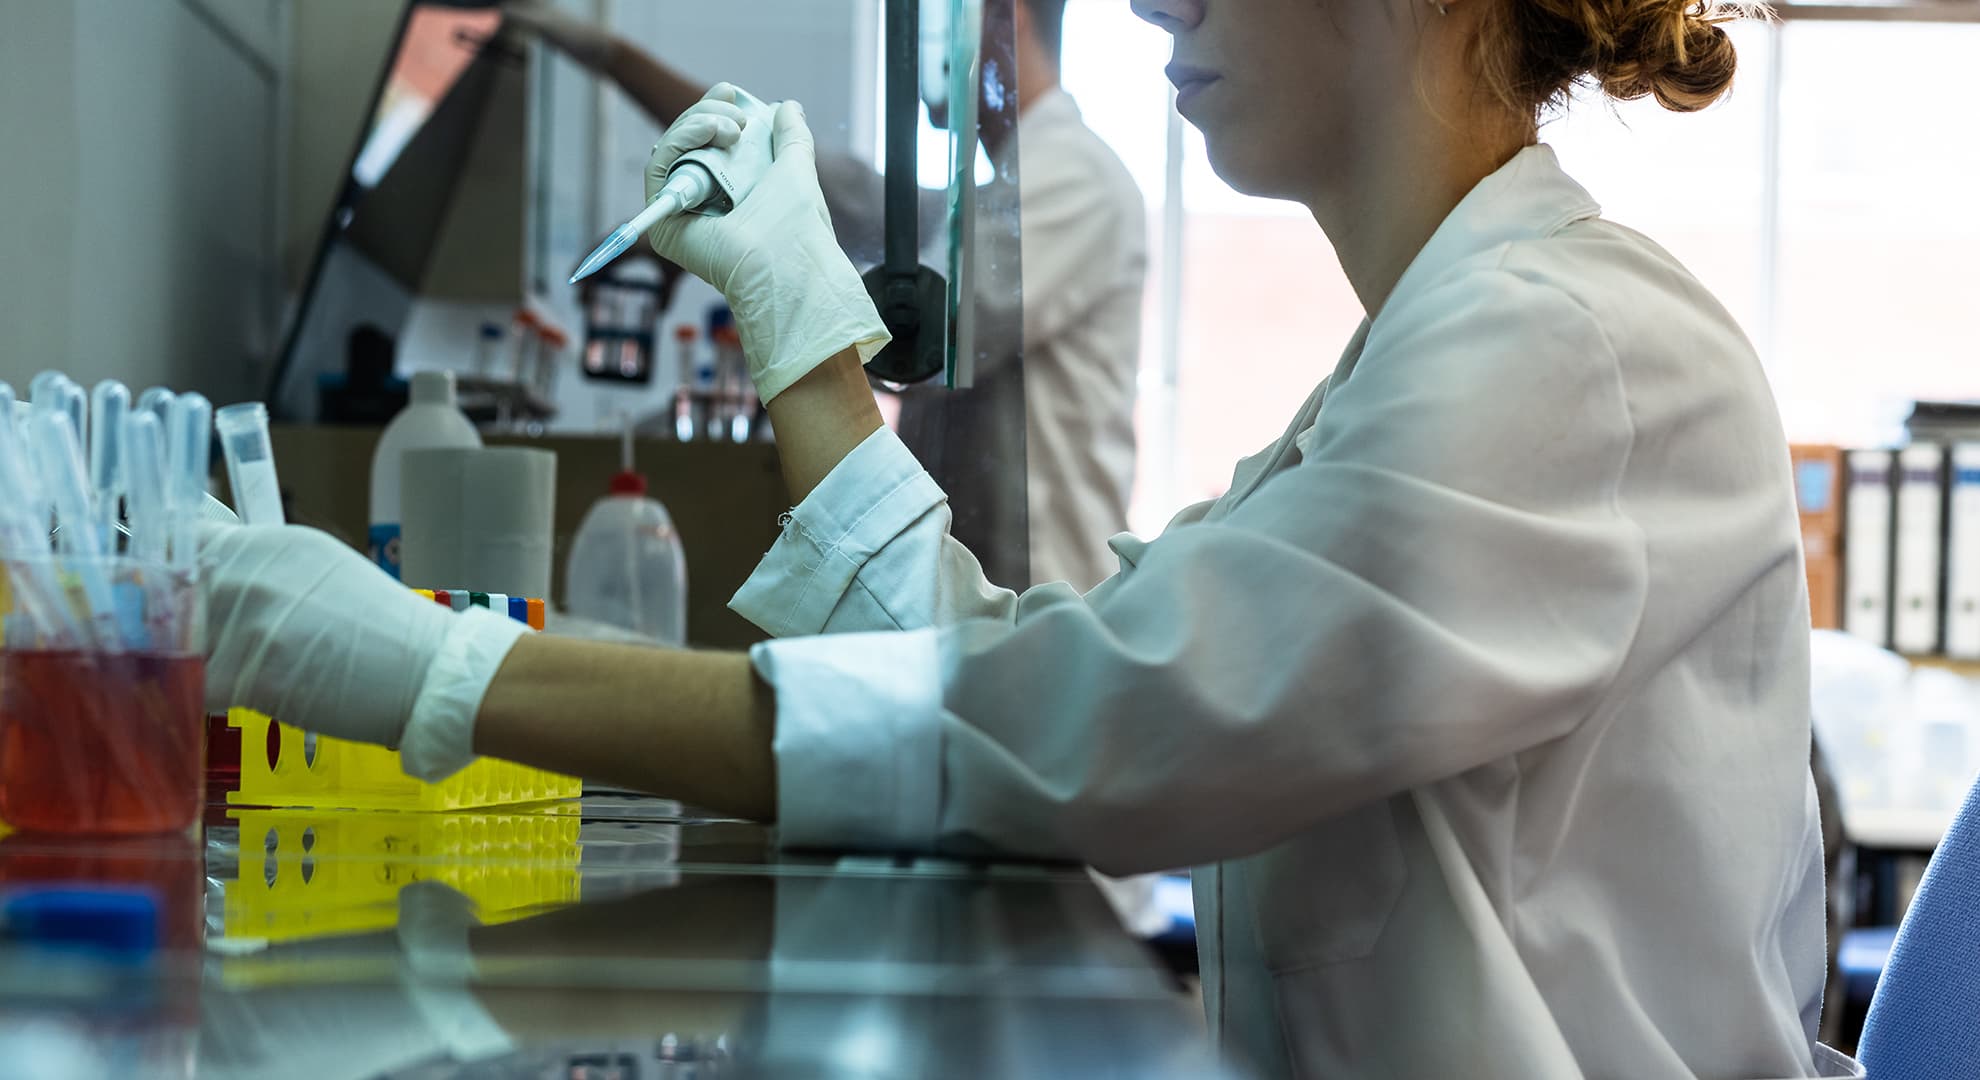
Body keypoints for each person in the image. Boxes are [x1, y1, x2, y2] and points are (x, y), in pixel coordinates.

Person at [200, 0, 1857, 1076]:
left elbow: (1090, 731)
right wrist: (801, 335)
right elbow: (1040, 676)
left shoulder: (1571, 352)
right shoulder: (1441, 351)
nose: (1148, 4)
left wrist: (447, 668)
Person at [505, 0, 1148, 598]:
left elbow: (916, 329)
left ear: (1002, 18)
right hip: (989, 606)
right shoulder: (998, 194)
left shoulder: (1073, 176)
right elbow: (842, 190)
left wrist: (749, 261)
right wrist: (613, 60)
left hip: (1046, 602)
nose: (928, 44)